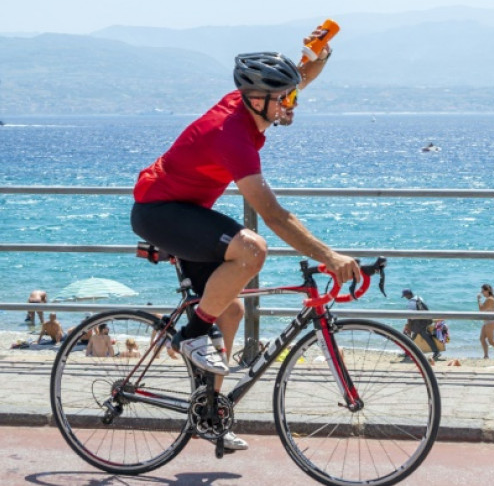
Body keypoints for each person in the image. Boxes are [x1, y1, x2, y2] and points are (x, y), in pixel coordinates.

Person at [130, 29, 353, 452]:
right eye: (285, 99)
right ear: (258, 99)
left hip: (186, 210)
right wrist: (329, 255)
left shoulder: (255, 103)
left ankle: (209, 415)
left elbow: (300, 76)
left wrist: (321, 55)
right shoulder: (231, 134)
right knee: (253, 249)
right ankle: (192, 335)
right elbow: (273, 215)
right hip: (159, 210)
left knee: (229, 310)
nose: (292, 104)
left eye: (291, 96)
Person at [400, 289, 441, 362]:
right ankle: (407, 352)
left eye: (405, 296)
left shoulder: (411, 303)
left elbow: (410, 316)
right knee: (416, 337)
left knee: (410, 336)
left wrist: (408, 326)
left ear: (408, 295)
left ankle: (436, 352)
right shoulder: (419, 298)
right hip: (423, 321)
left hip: (417, 323)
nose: (405, 297)